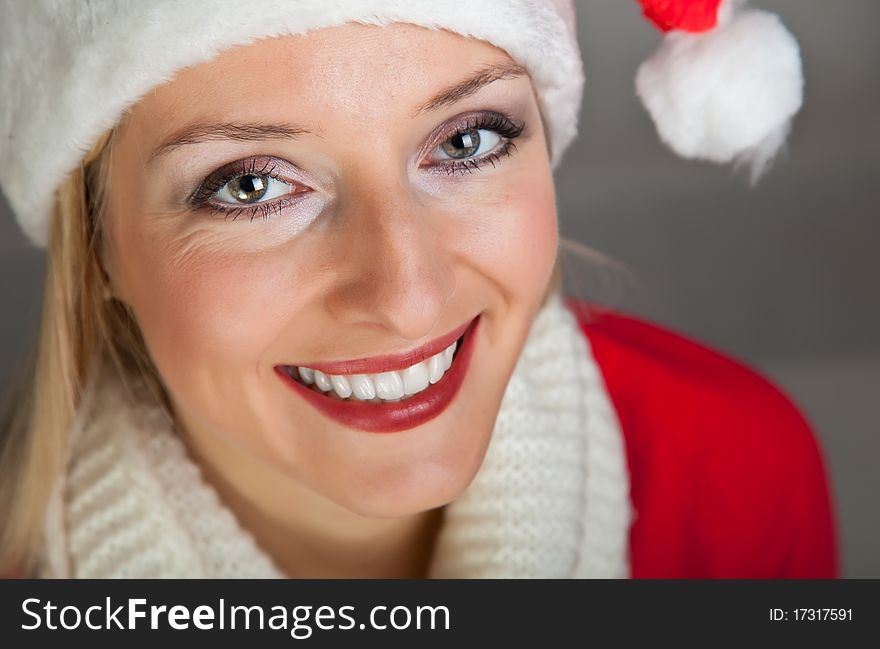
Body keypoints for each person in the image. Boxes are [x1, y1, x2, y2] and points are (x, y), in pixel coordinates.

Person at [0, 0, 837, 578]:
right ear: (100, 247)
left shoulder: (740, 474)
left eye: (468, 139)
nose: (408, 294)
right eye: (252, 186)